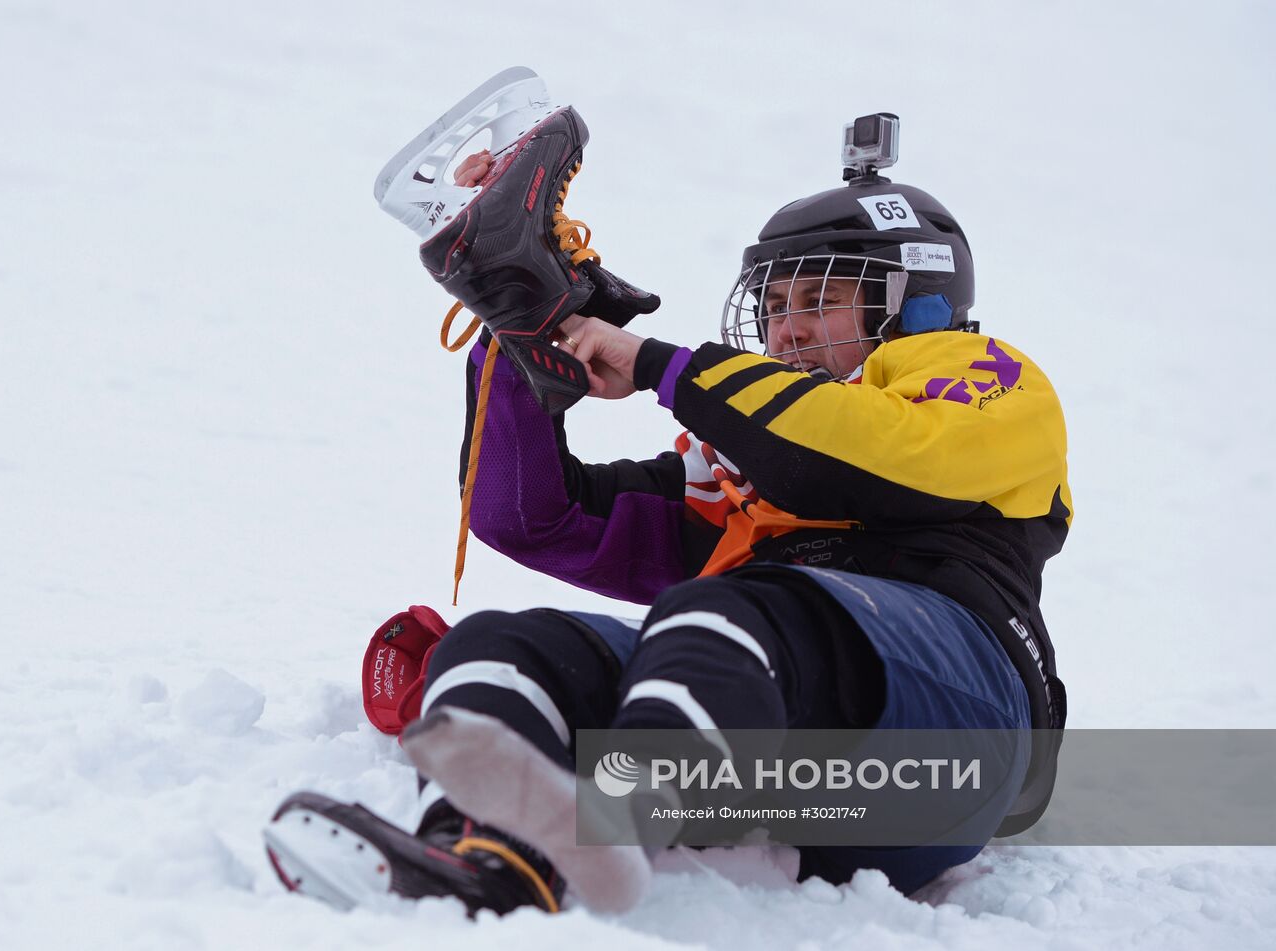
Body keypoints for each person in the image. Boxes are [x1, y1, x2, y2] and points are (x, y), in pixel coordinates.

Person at [264, 136, 1072, 917]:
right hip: (787, 763)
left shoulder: (986, 381)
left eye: (820, 300)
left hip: (958, 735)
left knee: (728, 610)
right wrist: (522, 324)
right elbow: (533, 515)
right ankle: (479, 859)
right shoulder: (742, 472)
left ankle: (620, 810)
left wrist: (660, 365)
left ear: (914, 307)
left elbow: (860, 449)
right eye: (775, 305)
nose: (787, 330)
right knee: (507, 646)